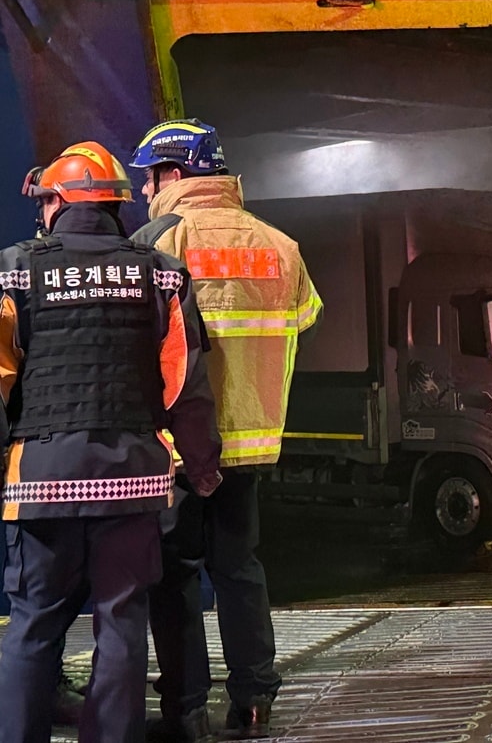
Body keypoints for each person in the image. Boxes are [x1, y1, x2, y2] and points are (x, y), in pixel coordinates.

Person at [0, 142, 222, 743]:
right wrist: (202, 466)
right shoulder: (160, 274)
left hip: (40, 480)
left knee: (32, 625)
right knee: (121, 623)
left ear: (58, 202)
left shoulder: (13, 270)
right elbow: (184, 385)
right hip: (133, 482)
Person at [128, 120, 322, 743]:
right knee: (240, 569)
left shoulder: (156, 242)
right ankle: (254, 705)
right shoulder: (281, 244)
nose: (146, 191)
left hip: (179, 445)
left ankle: (186, 710)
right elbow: (306, 317)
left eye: (151, 178)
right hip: (253, 440)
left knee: (176, 575)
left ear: (175, 174)